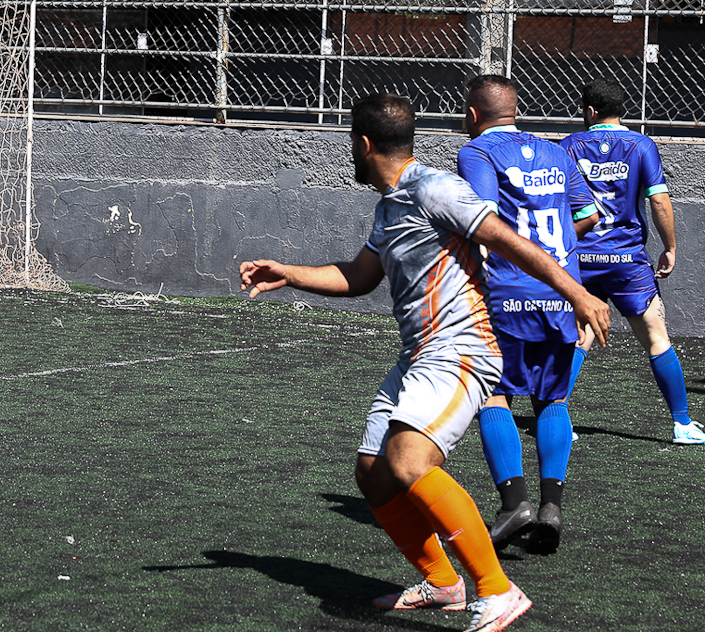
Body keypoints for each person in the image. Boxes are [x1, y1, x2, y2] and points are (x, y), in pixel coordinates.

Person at [240, 93, 610, 632]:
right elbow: (359, 277)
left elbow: (506, 239)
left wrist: (577, 292)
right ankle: (443, 584)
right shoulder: (389, 207)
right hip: (419, 354)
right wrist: (290, 274)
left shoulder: (436, 187)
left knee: (410, 461)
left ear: (363, 145)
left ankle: (497, 590)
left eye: (351, 143)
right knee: (373, 473)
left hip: (462, 347)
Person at [458, 75, 599, 555]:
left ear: (474, 115)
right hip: (563, 292)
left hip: (506, 291)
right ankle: (551, 509)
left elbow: (483, 221)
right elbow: (589, 215)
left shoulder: (476, 152)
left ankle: (513, 503)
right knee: (552, 400)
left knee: (492, 397)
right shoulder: (557, 152)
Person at [560, 78, 705, 445]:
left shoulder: (566, 146)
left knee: (578, 338)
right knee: (656, 338)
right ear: (619, 110)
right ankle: (682, 424)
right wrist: (671, 246)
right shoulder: (641, 145)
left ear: (590, 111)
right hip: (627, 260)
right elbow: (659, 200)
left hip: (581, 259)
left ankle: (557, 417)